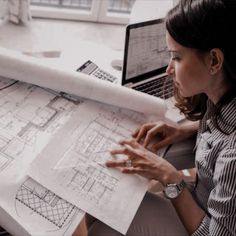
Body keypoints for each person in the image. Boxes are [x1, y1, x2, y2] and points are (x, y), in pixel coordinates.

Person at [85, 0, 236, 235]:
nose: (168, 69)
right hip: (203, 197)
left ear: (214, 61)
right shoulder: (222, 94)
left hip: (209, 225)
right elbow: (222, 132)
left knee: (105, 228)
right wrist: (184, 130)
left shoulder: (233, 157)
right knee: (102, 210)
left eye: (176, 57)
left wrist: (170, 179)